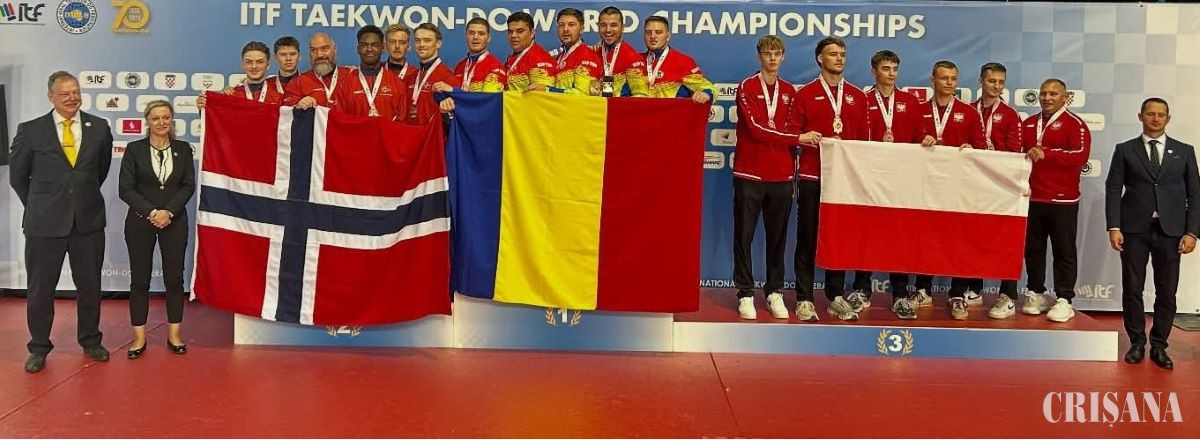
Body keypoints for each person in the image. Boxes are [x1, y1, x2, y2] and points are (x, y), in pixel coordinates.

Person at [10, 71, 114, 373]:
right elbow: (18, 177)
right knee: (40, 289)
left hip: (88, 222)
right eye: (65, 93)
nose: (72, 98)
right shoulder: (31, 130)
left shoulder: (99, 128)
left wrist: (78, 199)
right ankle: (39, 347)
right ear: (51, 97)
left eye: (76, 92)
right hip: (44, 224)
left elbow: (99, 171)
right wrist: (40, 205)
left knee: (90, 286)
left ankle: (91, 340)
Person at [1106, 98, 1195, 370]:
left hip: (1171, 231)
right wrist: (1114, 226)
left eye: (1160, 115)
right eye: (1150, 114)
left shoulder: (1185, 151)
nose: (1155, 119)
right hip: (1133, 230)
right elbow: (1113, 189)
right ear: (1140, 116)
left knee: (1167, 291)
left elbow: (1195, 195)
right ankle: (1136, 342)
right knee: (1133, 288)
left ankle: (1159, 345)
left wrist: (1192, 232)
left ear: (1168, 118)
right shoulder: (1125, 150)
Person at [790, 36, 869, 321]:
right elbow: (793, 134)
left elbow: (864, 142)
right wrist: (809, 139)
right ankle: (804, 298)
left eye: (842, 54)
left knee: (839, 238)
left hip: (843, 181)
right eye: (833, 54)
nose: (839, 58)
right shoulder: (805, 94)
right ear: (820, 59)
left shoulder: (858, 97)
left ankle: (835, 296)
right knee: (808, 238)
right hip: (812, 176)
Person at [118, 100, 195, 359]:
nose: (161, 122)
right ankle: (139, 337)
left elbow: (188, 186)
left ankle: (174, 334)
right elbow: (125, 189)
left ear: (171, 120)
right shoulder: (134, 149)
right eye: (156, 118)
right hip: (140, 222)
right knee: (140, 280)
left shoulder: (183, 149)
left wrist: (168, 212)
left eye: (166, 117)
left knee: (174, 279)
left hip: (174, 222)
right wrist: (152, 212)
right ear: (147, 121)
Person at [732, 36, 800, 320]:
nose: (772, 58)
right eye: (767, 53)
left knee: (777, 238)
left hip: (781, 175)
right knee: (744, 236)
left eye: (777, 53)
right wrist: (795, 138)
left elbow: (794, 127)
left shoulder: (790, 91)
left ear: (783, 56)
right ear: (759, 55)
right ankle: (745, 293)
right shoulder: (746, 86)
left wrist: (794, 138)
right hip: (749, 172)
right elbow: (755, 128)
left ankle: (774, 291)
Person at [916, 60, 987, 320]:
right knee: (926, 237)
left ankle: (957, 293)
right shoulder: (918, 111)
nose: (949, 82)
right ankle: (923, 290)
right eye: (944, 78)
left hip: (959, 188)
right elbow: (905, 146)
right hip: (927, 186)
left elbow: (981, 148)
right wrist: (919, 142)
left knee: (959, 239)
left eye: (953, 78)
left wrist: (972, 149)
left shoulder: (969, 113)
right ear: (932, 80)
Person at [1019, 78, 1092, 323]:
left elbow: (1080, 156)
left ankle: (1064, 299)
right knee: (1033, 249)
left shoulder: (1075, 124)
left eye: (1053, 94)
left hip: (1063, 201)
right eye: (1043, 93)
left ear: (1065, 97)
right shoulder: (1029, 124)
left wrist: (1047, 153)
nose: (1047, 98)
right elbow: (1015, 154)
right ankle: (1035, 292)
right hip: (1033, 198)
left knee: (1064, 251)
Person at [863, 50, 929, 319]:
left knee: (899, 237)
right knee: (867, 235)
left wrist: (926, 139)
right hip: (870, 179)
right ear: (874, 72)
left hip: (901, 181)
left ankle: (900, 294)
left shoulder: (910, 102)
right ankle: (862, 290)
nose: (891, 74)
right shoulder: (863, 100)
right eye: (885, 68)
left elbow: (920, 134)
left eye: (894, 69)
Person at [969, 62, 1026, 319]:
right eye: (992, 81)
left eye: (1001, 82)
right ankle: (974, 288)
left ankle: (1008, 294)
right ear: (981, 81)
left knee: (1006, 240)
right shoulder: (969, 110)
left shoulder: (1010, 114)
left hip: (1002, 186)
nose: (997, 86)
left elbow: (1015, 152)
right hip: (975, 184)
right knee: (974, 237)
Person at [336, 25, 408, 120]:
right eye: (364, 45)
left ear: (382, 48)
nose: (369, 49)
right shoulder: (344, 84)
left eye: (374, 45)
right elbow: (339, 121)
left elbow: (402, 122)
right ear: (358, 49)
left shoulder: (397, 84)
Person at [436, 17, 506, 113]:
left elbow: (487, 102)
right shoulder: (460, 66)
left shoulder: (495, 67)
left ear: (488, 38)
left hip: (483, 120)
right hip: (460, 119)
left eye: (481, 33)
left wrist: (452, 90)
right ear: (466, 36)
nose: (475, 37)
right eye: (472, 33)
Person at [641, 16, 714, 103]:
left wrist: (705, 94)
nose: (653, 36)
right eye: (648, 32)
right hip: (641, 112)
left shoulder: (683, 62)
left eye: (658, 32)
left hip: (671, 112)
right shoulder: (635, 61)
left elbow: (709, 88)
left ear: (668, 36)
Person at [405, 23, 460, 125]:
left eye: (427, 40)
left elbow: (455, 121)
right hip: (410, 134)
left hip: (434, 135)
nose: (421, 45)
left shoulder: (448, 78)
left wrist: (445, 116)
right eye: (418, 40)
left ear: (438, 44)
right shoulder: (409, 79)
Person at [283, 32, 355, 109]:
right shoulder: (297, 83)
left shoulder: (351, 76)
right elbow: (286, 111)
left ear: (335, 49)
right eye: (313, 50)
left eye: (324, 48)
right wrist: (297, 106)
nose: (319, 55)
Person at [542, 8, 602, 95]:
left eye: (571, 25)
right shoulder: (557, 58)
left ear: (581, 29)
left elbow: (583, 95)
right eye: (561, 25)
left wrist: (546, 89)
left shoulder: (587, 56)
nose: (565, 29)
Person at [592, 6, 648, 97]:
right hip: (594, 105)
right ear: (598, 27)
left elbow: (641, 97)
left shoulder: (633, 58)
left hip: (619, 106)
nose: (608, 30)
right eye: (603, 25)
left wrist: (616, 100)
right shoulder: (592, 54)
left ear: (622, 28)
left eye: (613, 25)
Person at [504, 11, 556, 92]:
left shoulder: (539, 59)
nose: (513, 35)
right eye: (510, 32)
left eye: (520, 31)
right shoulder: (512, 58)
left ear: (532, 33)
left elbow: (542, 96)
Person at [384, 24, 419, 91]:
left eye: (402, 42)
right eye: (392, 42)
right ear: (385, 46)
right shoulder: (376, 72)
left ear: (408, 47)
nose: (397, 46)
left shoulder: (417, 75)